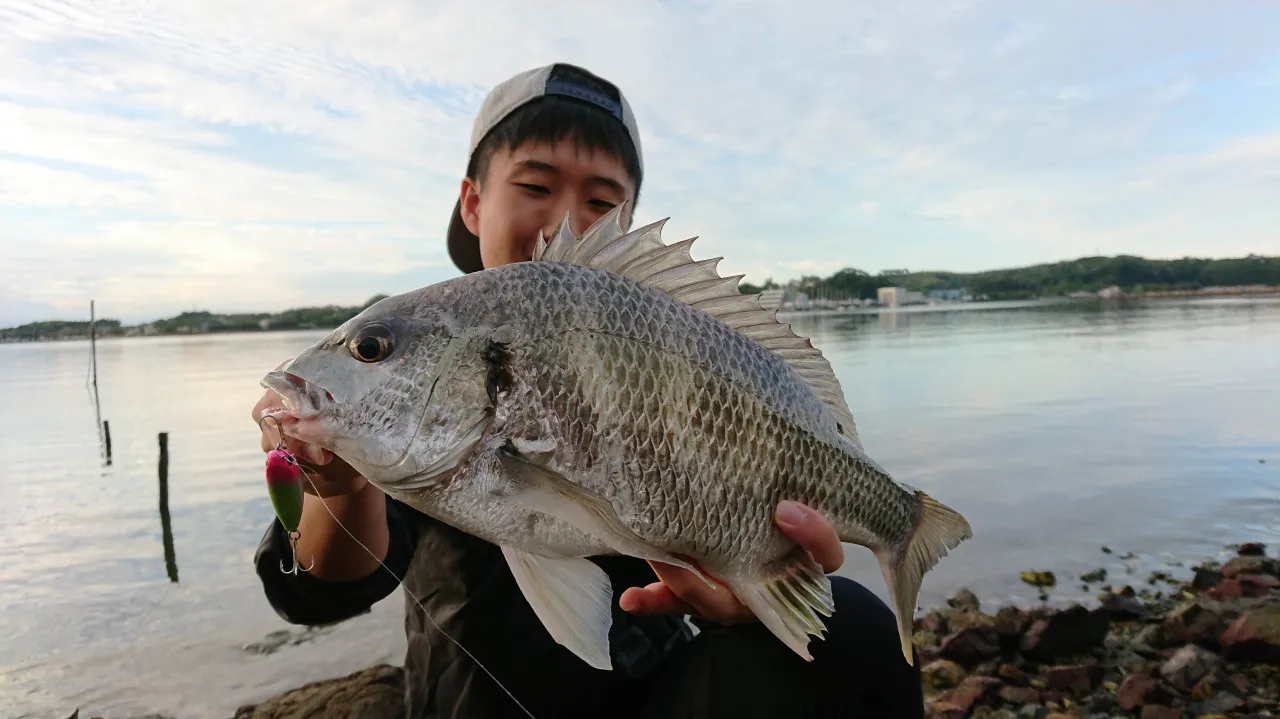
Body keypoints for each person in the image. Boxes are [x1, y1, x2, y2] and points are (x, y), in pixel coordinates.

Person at [252, 62, 924, 719]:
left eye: (600, 201)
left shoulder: (654, 333)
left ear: (627, 218)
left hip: (654, 692)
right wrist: (340, 490)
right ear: (474, 201)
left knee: (856, 635)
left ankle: (897, 532)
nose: (562, 219)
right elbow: (319, 591)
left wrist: (748, 583)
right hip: (470, 703)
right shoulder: (431, 371)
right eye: (536, 185)